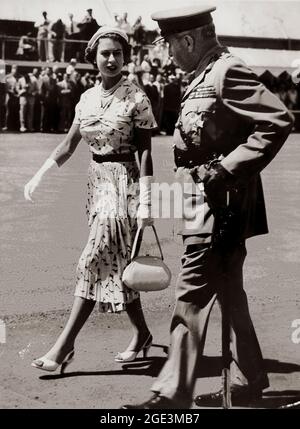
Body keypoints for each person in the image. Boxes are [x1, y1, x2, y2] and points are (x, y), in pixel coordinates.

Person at [122, 5, 294, 409]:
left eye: (168, 44)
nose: (167, 53)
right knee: (230, 291)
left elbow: (277, 119)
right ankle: (247, 383)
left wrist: (224, 169)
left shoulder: (226, 71)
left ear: (188, 39)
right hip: (201, 202)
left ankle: (171, 394)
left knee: (192, 293)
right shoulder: (203, 73)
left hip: (222, 206)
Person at [24, 26, 157, 372]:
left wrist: (145, 201)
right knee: (116, 265)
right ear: (93, 58)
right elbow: (70, 144)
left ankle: (63, 347)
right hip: (96, 184)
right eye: (104, 53)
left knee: (92, 259)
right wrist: (40, 173)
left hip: (123, 184)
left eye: (117, 53)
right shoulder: (85, 99)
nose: (111, 59)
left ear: (126, 57)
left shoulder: (137, 98)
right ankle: (142, 334)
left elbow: (145, 153)